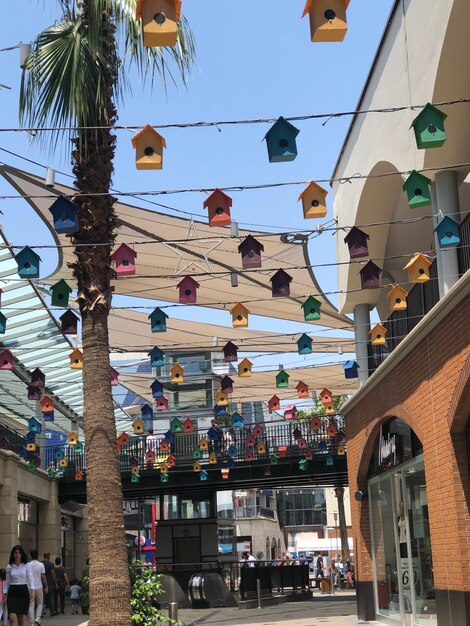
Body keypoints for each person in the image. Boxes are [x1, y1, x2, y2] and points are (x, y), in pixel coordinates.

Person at [5, 545, 34, 626]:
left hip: (23, 591)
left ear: (21, 554)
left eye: (19, 553)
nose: (17, 555)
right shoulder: (9, 567)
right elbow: (7, 582)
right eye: (15, 553)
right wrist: (4, 594)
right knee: (12, 617)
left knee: (21, 620)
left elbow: (30, 578)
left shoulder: (27, 565)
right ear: (13, 554)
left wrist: (33, 591)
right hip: (12, 592)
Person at [28, 550, 47, 626]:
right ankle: (38, 618)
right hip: (39, 586)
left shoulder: (28, 565)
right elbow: (43, 577)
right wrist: (46, 586)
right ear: (37, 555)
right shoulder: (41, 565)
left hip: (30, 586)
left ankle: (32, 622)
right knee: (40, 603)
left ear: (31, 556)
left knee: (31, 604)